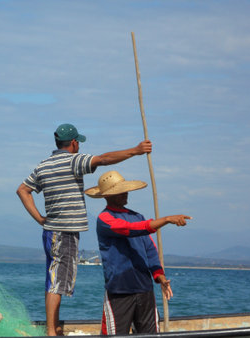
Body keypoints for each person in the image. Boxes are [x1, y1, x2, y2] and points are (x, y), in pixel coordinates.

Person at [16, 123, 152, 336]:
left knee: (55, 279)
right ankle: (52, 331)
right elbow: (103, 159)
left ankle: (54, 326)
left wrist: (40, 219)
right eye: (77, 142)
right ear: (73, 143)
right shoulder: (73, 161)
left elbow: (23, 190)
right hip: (63, 231)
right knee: (56, 282)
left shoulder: (43, 165)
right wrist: (135, 151)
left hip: (53, 231)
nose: (78, 145)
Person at [85, 170, 191, 335]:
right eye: (119, 191)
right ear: (107, 196)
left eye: (125, 190)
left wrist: (159, 276)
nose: (125, 193)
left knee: (149, 334)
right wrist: (166, 219)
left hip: (144, 288)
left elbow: (149, 250)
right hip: (120, 290)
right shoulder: (105, 219)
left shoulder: (137, 216)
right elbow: (129, 229)